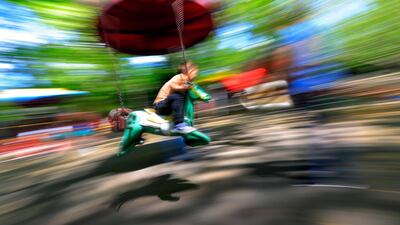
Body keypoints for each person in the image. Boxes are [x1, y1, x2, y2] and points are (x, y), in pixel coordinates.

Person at [154, 61, 198, 133]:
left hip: (169, 106)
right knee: (177, 96)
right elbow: (172, 85)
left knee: (182, 99)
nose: (196, 74)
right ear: (187, 71)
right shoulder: (178, 77)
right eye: (194, 72)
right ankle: (179, 125)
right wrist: (183, 87)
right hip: (160, 104)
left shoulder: (186, 81)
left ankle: (182, 120)